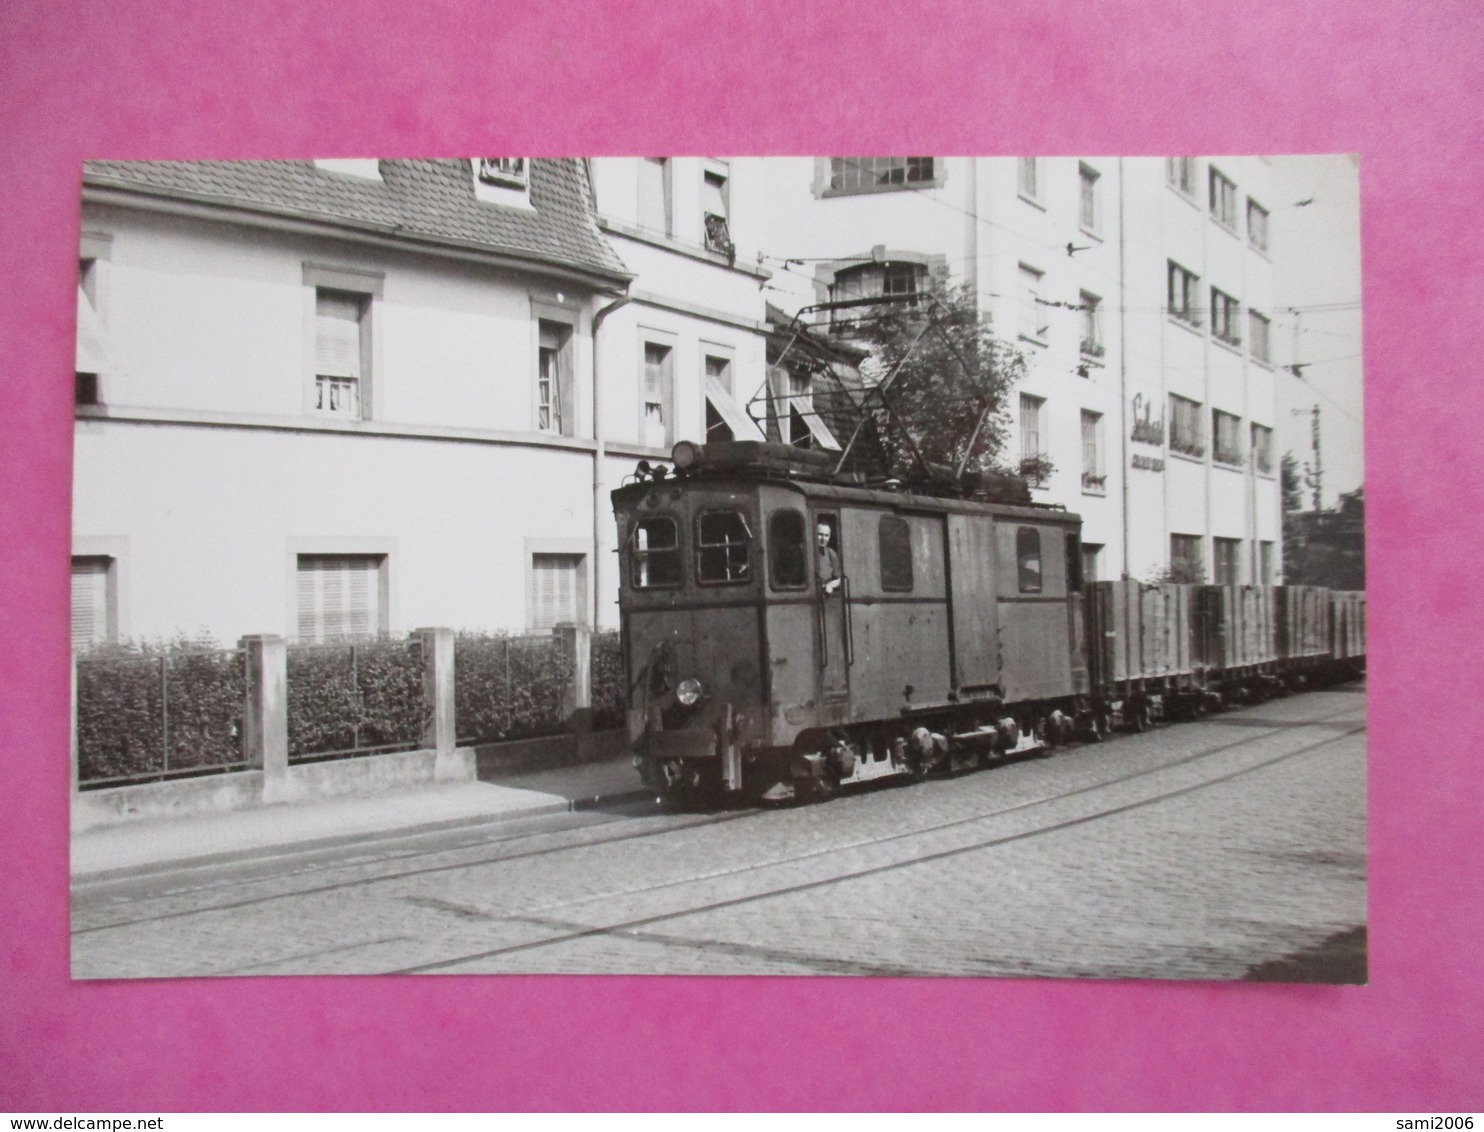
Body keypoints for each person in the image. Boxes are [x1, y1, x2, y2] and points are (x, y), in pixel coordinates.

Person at [816, 521, 842, 594]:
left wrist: (830, 585)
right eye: (820, 534)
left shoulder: (830, 553)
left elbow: (839, 579)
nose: (823, 539)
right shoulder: (805, 551)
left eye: (826, 535)